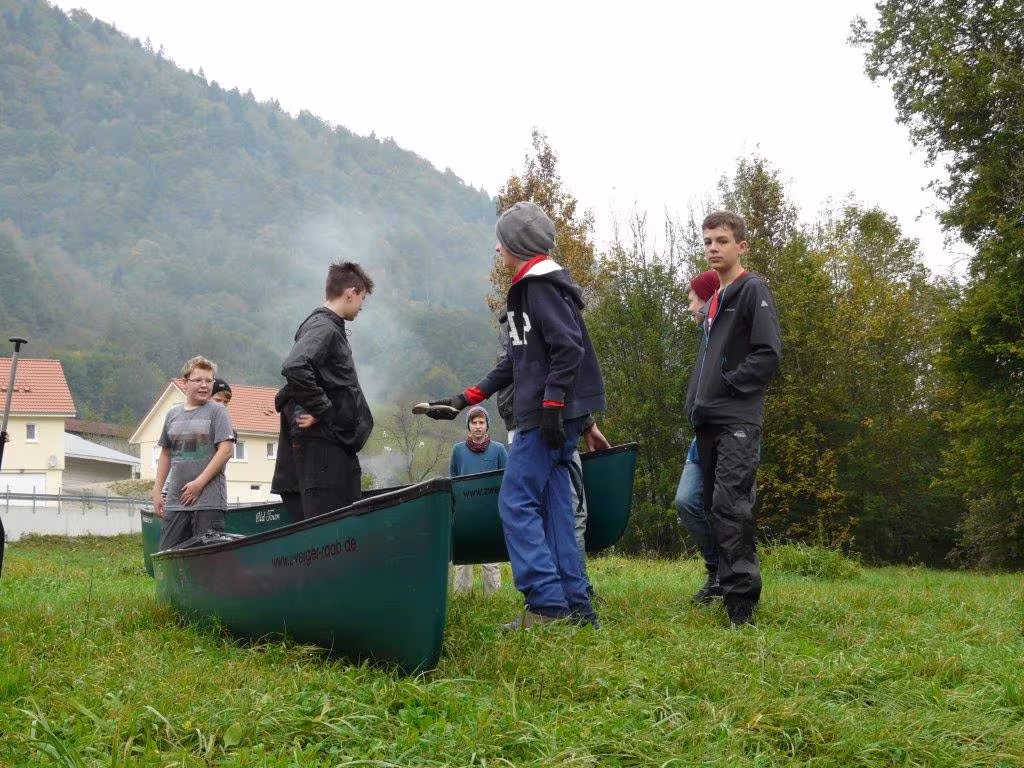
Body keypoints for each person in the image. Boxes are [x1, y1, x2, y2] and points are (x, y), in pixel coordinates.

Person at [427, 201, 606, 629]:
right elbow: (516, 361)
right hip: (558, 417)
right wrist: (465, 397)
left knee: (514, 503)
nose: (497, 248)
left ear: (518, 244)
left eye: (502, 241)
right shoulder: (532, 288)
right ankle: (575, 606)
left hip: (544, 420)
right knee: (556, 508)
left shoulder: (539, 288)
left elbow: (568, 348)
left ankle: (545, 604)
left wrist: (551, 407)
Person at [684, 211, 781, 627]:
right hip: (707, 419)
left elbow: (768, 353)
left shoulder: (751, 289)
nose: (713, 248)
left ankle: (742, 608)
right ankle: (724, 585)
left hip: (738, 418)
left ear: (741, 246)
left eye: (722, 240)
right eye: (708, 241)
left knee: (731, 507)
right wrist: (698, 400)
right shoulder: (716, 301)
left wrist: (727, 385)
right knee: (708, 507)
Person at [271, 261, 375, 520]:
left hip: (329, 453)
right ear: (350, 292)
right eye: (362, 298)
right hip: (321, 458)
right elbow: (295, 366)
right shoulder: (323, 327)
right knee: (330, 536)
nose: (362, 306)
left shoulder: (328, 328)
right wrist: (323, 408)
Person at [152, 356, 236, 550]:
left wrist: (199, 484)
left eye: (209, 380)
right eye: (198, 380)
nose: (204, 385)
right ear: (185, 383)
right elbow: (166, 453)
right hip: (175, 502)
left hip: (208, 503)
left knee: (207, 563)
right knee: (168, 556)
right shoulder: (172, 415)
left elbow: (226, 451)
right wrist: (157, 491)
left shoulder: (218, 411)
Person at [672, 270, 720, 603]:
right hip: (700, 433)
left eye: (691, 298)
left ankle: (725, 577)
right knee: (686, 500)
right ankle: (716, 568)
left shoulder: (721, 331)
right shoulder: (705, 333)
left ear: (706, 298)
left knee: (723, 508)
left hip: (727, 432)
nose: (689, 306)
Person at [449, 405, 508, 596]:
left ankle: (493, 601)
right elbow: (454, 479)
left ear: (487, 426)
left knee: (490, 561)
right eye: (474, 422)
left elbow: (506, 480)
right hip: (465, 515)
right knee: (463, 561)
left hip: (491, 514)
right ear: (469, 426)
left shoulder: (498, 450)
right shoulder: (458, 451)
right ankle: (461, 599)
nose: (477, 426)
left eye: (481, 422)